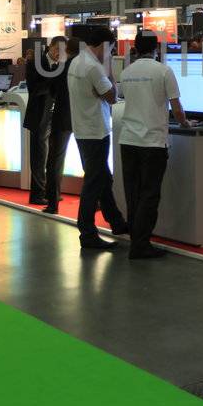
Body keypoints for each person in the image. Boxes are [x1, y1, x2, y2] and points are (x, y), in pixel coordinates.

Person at [116, 32, 192, 259]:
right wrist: (185, 123)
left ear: (136, 48)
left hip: (128, 140)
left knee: (133, 193)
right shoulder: (163, 71)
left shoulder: (127, 72)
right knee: (150, 194)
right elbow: (176, 108)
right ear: (156, 48)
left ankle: (136, 241)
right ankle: (141, 244)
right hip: (152, 141)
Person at [68, 25, 130, 249]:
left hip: (84, 130)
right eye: (111, 49)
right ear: (104, 45)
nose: (111, 53)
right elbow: (112, 96)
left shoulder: (77, 61)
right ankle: (87, 232)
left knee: (103, 178)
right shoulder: (94, 67)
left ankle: (117, 222)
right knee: (94, 182)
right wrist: (110, 70)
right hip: (95, 131)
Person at [23, 37, 63, 206]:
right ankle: (37, 194)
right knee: (39, 156)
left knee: (52, 155)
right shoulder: (35, 63)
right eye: (57, 51)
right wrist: (53, 79)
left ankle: (51, 192)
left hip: (55, 115)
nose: (59, 55)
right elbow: (34, 89)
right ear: (51, 47)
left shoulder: (61, 65)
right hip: (39, 115)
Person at [43, 37, 78, 214]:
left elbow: (52, 91)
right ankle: (98, 201)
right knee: (91, 162)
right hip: (82, 118)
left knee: (55, 161)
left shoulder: (60, 67)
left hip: (62, 117)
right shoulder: (87, 67)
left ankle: (52, 203)